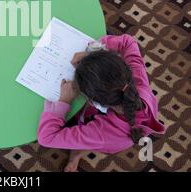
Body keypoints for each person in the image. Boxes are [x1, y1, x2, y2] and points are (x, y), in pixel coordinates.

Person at [37, 34, 165, 172]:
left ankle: (77, 154)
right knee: (86, 140)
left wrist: (63, 102)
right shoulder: (137, 80)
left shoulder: (100, 134)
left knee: (85, 141)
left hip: (106, 139)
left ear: (91, 101)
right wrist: (94, 55)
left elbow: (46, 137)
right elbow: (128, 41)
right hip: (120, 131)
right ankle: (79, 151)